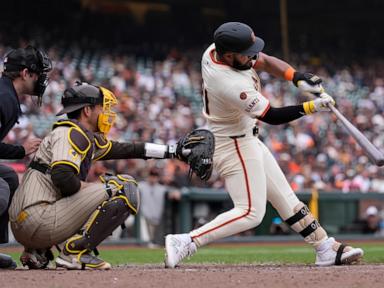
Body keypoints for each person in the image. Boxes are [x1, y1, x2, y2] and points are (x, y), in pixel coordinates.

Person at [164, 22, 364, 268]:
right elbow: (273, 116)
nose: (252, 56)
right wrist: (312, 107)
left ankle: (324, 248)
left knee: (287, 199)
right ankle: (185, 241)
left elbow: (266, 61)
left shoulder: (220, 51)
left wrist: (296, 76)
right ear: (228, 55)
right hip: (233, 143)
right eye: (246, 53)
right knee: (250, 212)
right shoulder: (227, 81)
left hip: (246, 138)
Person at [9, 81, 191, 270]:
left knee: (95, 187)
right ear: (87, 110)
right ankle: (75, 253)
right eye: (101, 108)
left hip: (26, 223)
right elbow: (63, 177)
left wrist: (173, 151)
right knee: (124, 187)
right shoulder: (72, 134)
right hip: (37, 220)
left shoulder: (73, 133)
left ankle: (36, 251)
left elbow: (127, 149)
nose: (106, 113)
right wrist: (90, 188)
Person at [0, 45, 52, 269]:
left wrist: (20, 150)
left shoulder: (6, 93)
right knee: (0, 190)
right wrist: (20, 150)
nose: (40, 80)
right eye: (38, 74)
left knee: (9, 177)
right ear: (25, 73)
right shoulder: (4, 97)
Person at [139, 168, 168, 247]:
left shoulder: (162, 188)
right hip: (143, 217)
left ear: (158, 178)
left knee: (152, 238)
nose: (153, 178)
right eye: (151, 176)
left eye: (155, 176)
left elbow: (172, 191)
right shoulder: (141, 185)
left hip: (156, 218)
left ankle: (149, 244)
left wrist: (175, 192)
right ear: (148, 176)